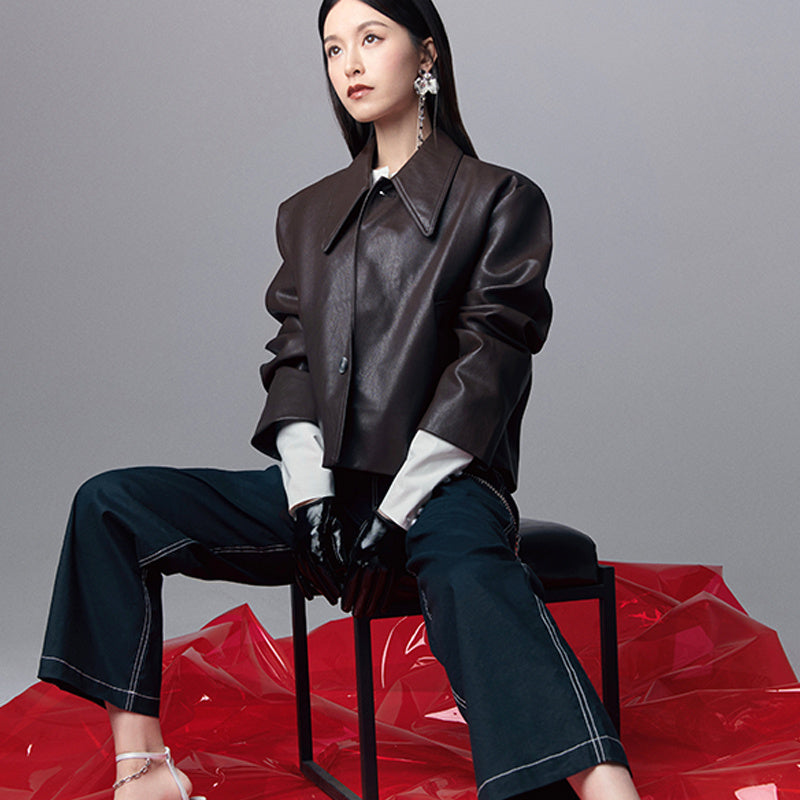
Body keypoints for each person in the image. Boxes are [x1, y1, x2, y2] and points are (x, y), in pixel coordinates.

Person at [38, 1, 642, 798]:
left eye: (370, 38)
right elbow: (292, 364)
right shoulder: (307, 213)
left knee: (467, 566)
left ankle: (603, 784)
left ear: (426, 54)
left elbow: (485, 371)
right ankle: (144, 766)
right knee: (111, 505)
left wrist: (395, 513)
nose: (349, 64)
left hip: (446, 489)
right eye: (331, 48)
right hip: (325, 492)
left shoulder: (500, 199)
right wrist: (310, 501)